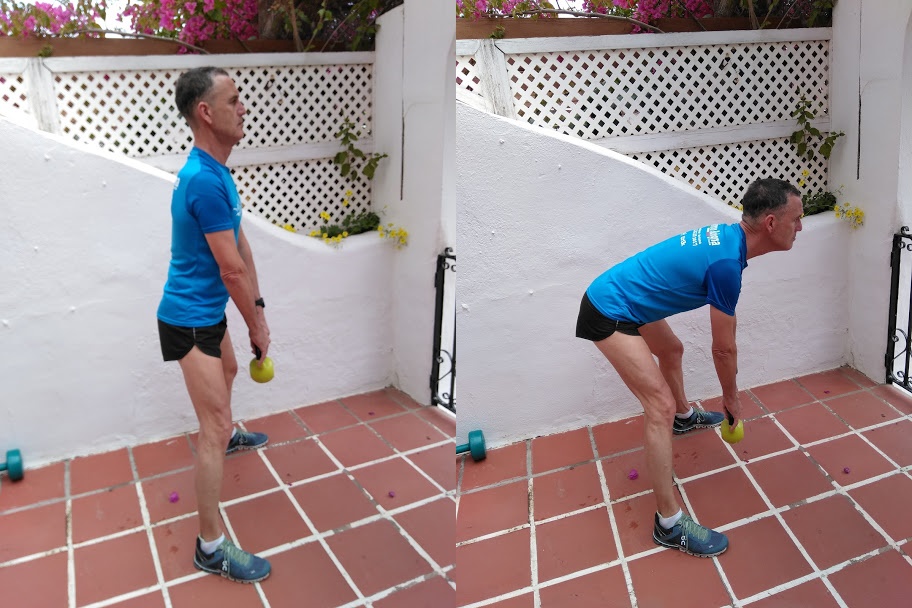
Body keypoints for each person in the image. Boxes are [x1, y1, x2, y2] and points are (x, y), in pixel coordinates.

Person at [576, 178, 803, 557]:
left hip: (629, 300)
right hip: (609, 309)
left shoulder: (729, 240)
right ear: (769, 223)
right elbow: (724, 349)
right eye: (796, 219)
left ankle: (684, 416)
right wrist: (732, 398)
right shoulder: (727, 265)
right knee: (657, 407)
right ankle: (668, 523)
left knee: (673, 350)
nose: (800, 227)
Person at [157, 66, 272, 582]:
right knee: (215, 424)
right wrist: (257, 327)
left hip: (209, 313)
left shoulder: (217, 171)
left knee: (228, 371)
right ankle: (210, 546)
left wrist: (259, 308)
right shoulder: (202, 181)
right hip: (189, 319)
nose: (243, 107)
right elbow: (230, 268)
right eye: (234, 99)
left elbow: (241, 246)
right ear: (206, 112)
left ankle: (225, 438)